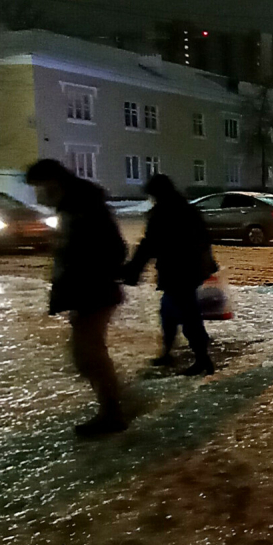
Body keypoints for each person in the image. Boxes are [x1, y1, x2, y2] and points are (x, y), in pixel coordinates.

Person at [26, 159, 128, 437]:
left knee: (89, 356)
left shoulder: (83, 209)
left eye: (39, 187)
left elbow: (113, 250)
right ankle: (113, 405)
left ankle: (113, 412)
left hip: (93, 292)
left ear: (53, 183)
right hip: (86, 292)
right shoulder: (75, 208)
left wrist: (80, 266)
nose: (38, 194)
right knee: (87, 355)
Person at [123, 174, 217, 376]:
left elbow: (150, 244)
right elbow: (204, 238)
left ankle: (202, 359)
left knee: (188, 316)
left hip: (178, 272)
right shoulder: (187, 209)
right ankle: (169, 353)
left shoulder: (164, 212)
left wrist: (133, 270)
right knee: (169, 313)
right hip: (188, 270)